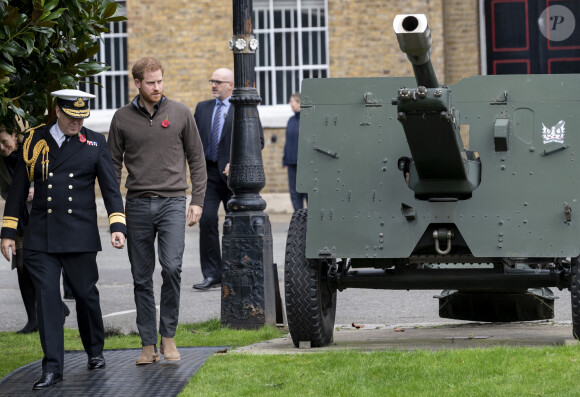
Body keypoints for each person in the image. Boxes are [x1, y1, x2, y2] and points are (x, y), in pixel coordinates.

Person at [0, 89, 127, 390]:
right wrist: (7, 232)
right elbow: (18, 189)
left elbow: (110, 187)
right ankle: (52, 367)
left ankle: (94, 350)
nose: (76, 124)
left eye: (81, 118)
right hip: (41, 235)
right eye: (71, 117)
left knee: (85, 294)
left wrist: (117, 223)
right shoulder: (34, 140)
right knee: (47, 300)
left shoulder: (95, 141)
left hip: (79, 233)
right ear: (58, 111)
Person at [108, 57, 207, 365]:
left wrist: (198, 200)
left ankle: (169, 338)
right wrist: (116, 216)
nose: (157, 87)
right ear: (137, 83)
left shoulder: (180, 113)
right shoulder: (122, 118)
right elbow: (111, 168)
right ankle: (148, 344)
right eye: (150, 82)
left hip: (173, 202)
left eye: (160, 81)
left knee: (173, 268)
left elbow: (197, 159)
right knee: (140, 277)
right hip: (136, 204)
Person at [192, 68, 264, 291]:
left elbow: (258, 141)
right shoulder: (202, 108)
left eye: (218, 82)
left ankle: (240, 272)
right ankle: (212, 274)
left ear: (231, 85)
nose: (213, 85)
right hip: (209, 174)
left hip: (234, 177)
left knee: (238, 225)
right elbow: (193, 141)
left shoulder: (243, 108)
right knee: (207, 221)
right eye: (212, 81)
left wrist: (236, 161)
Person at [0, 126, 38, 333]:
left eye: (5, 142)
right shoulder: (1, 161)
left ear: (15, 136)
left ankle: (54, 309)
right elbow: (4, 190)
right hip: (18, 218)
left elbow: (51, 176)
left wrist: (35, 190)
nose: (2, 148)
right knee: (22, 266)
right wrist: (16, 197)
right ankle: (32, 320)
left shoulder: (31, 150)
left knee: (35, 265)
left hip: (39, 216)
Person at [283, 92, 307, 211]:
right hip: (291, 163)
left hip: (304, 164)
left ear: (299, 102)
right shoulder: (291, 120)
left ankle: (310, 223)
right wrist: (285, 160)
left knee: (306, 192)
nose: (290, 103)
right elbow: (288, 141)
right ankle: (299, 221)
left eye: (292, 101)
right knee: (294, 193)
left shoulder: (307, 120)